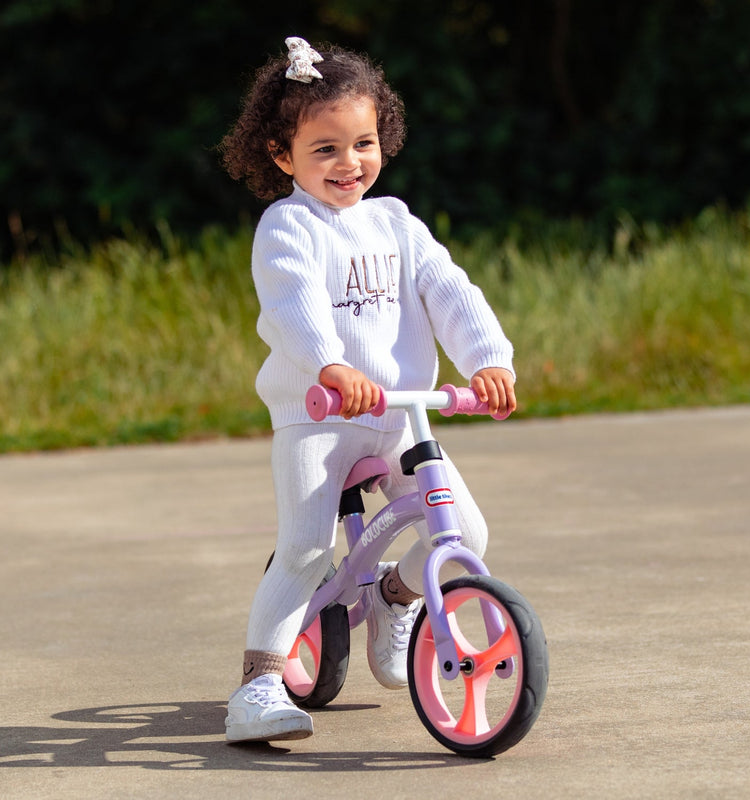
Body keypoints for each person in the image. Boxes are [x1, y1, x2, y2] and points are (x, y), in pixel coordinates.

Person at [219, 36, 517, 743]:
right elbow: (293, 303)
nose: (348, 163)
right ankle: (258, 687)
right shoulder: (288, 226)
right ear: (282, 156)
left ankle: (393, 595)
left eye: (363, 143)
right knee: (304, 548)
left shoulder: (396, 222)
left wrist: (488, 359)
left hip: (400, 417)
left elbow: (449, 289)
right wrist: (330, 365)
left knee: (466, 531)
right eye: (324, 149)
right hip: (320, 417)